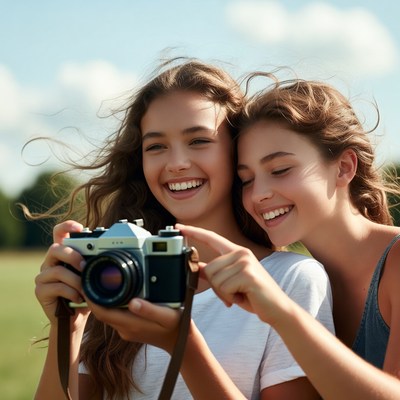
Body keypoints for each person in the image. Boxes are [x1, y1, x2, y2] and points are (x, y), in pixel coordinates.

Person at [33, 60, 334, 400]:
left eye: (198, 141)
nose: (176, 162)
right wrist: (67, 330)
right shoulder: (113, 272)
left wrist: (184, 346)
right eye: (156, 146)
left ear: (236, 151)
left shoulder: (290, 281)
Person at [177, 75, 400, 399]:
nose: (260, 195)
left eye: (280, 170)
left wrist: (281, 312)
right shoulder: (294, 279)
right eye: (247, 180)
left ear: (344, 167)